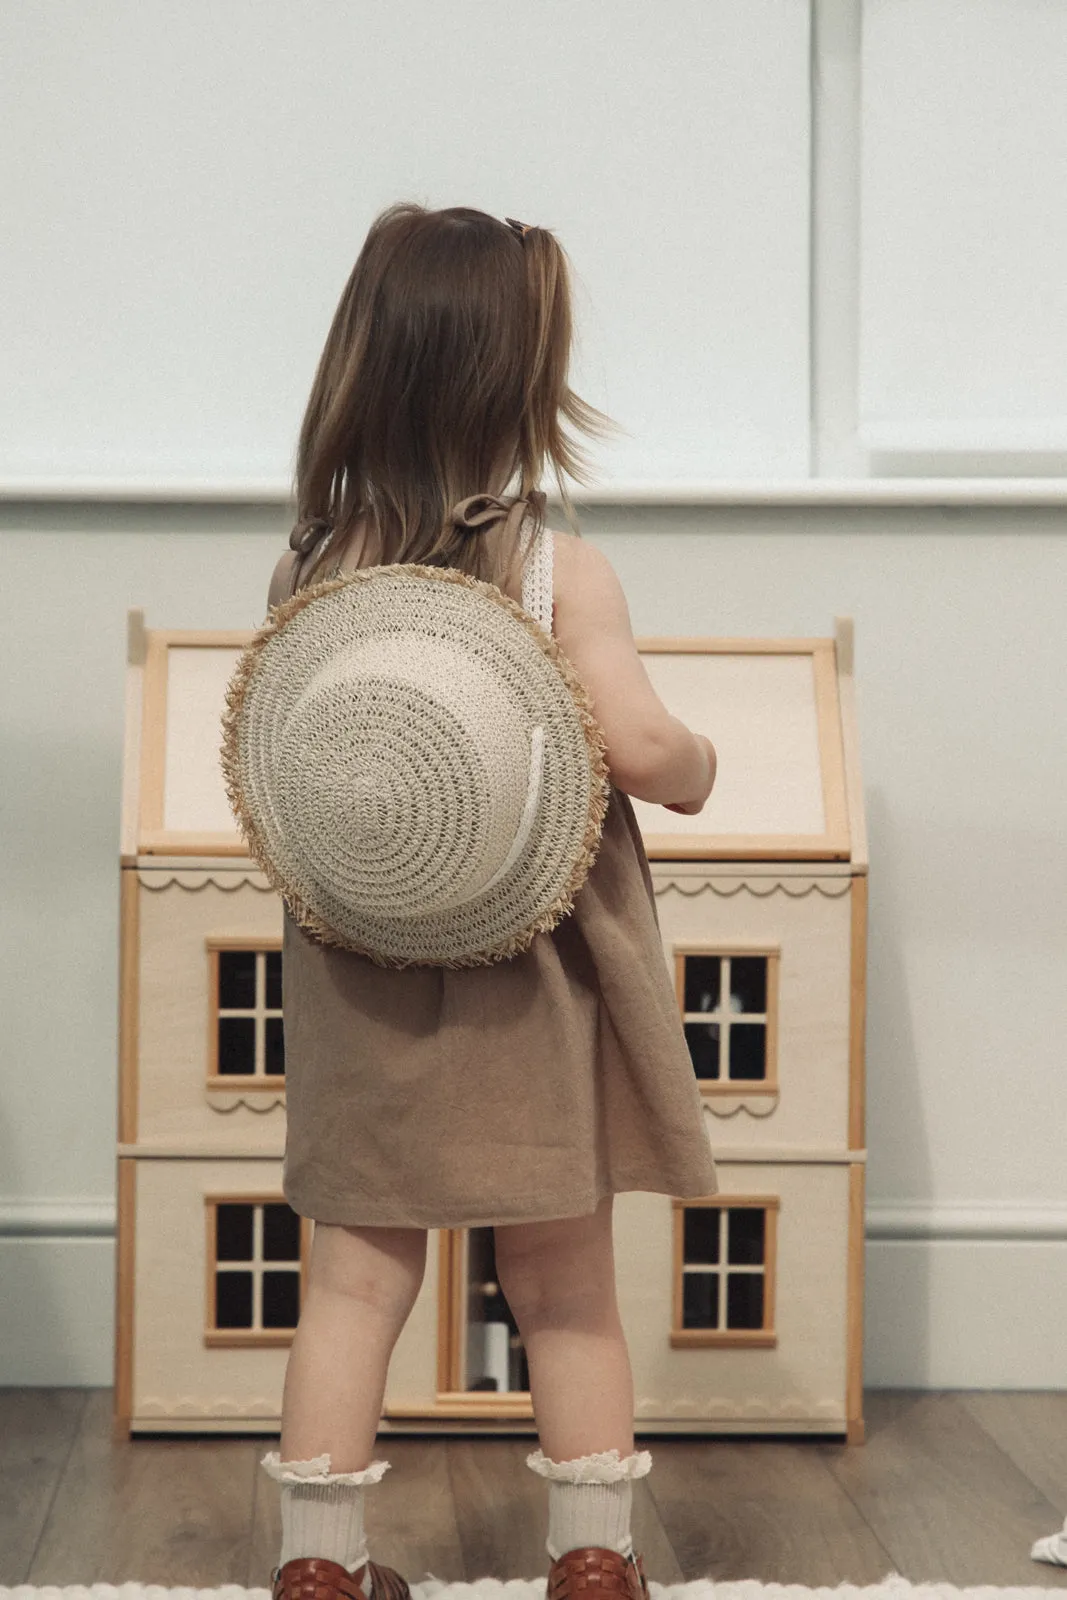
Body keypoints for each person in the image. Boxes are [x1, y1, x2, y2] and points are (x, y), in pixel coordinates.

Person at [260, 203, 719, 1600]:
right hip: (534, 986)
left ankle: (319, 1567)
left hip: (364, 972)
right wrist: (698, 760)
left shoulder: (311, 566)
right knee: (564, 1281)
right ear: (521, 382)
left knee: (351, 1277)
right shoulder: (556, 573)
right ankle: (591, 1559)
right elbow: (645, 754)